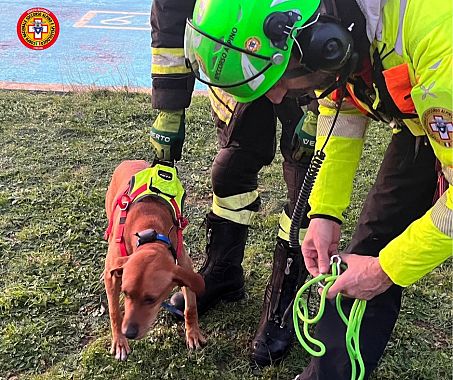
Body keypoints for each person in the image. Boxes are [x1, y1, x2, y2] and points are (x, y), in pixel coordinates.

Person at [185, 0, 452, 378]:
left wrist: (387, 269)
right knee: (364, 257)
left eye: (278, 80)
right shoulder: (337, 31)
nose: (276, 97)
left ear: (324, 40)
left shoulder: (438, 40)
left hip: (443, 95)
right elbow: (341, 112)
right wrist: (324, 213)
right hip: (422, 125)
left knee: (380, 262)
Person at [149, 0, 320, 366]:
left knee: (306, 184)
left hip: (300, 52)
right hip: (234, 60)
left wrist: (320, 105)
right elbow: (171, 14)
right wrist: (170, 105)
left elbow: (340, 16)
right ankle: (224, 271)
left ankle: (284, 303)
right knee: (231, 169)